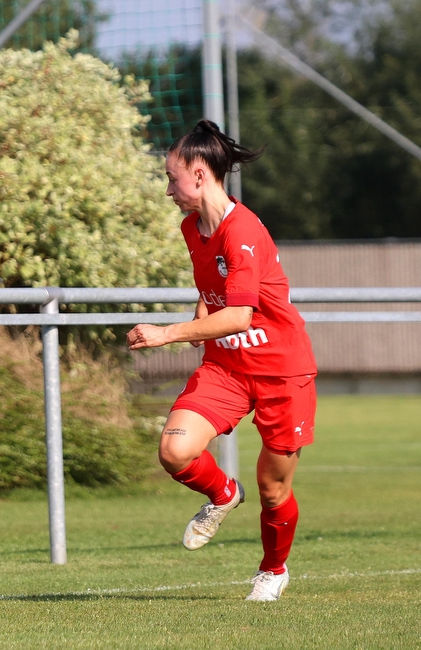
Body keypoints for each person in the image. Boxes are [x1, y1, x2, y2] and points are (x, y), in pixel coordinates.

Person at [127, 120, 317, 602]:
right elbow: (212, 291)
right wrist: (198, 317)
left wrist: (167, 334)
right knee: (174, 450)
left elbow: (238, 315)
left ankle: (273, 570)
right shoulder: (192, 227)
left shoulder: (244, 231)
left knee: (273, 489)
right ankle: (222, 495)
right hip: (226, 369)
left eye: (171, 178)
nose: (168, 189)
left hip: (280, 371)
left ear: (198, 174)